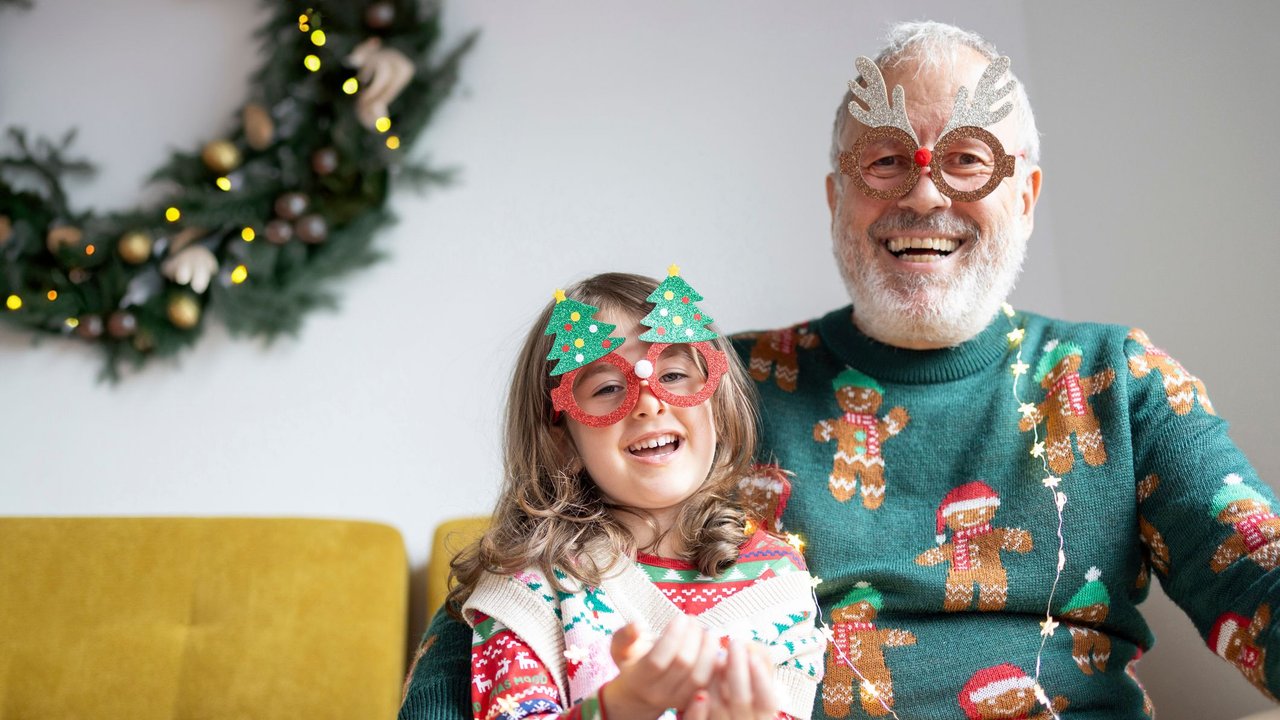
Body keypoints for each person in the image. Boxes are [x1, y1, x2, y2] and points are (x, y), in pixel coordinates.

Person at [402, 21, 1279, 719]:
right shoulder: (713, 392)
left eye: (968, 159)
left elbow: (1257, 571)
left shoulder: (1117, 381)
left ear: (1027, 195)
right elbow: (532, 567)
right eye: (885, 159)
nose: (924, 195)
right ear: (837, 198)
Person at [400, 270, 825, 720]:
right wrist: (620, 708)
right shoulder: (531, 583)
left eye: (675, 374)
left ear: (716, 405)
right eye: (607, 388)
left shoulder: (776, 577)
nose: (648, 401)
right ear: (563, 440)